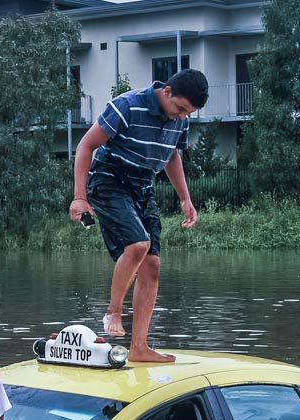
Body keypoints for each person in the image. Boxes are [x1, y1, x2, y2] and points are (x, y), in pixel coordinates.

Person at [69, 68, 209, 363]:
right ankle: (113, 311)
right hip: (109, 179)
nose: (182, 116)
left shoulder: (178, 120)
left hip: (143, 185)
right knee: (138, 245)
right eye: (180, 108)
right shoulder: (128, 105)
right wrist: (80, 197)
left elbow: (171, 155)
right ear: (167, 92)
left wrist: (185, 199)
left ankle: (139, 348)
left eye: (188, 113)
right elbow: (86, 145)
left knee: (153, 264)